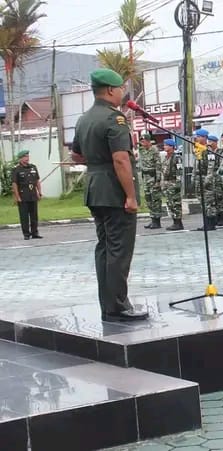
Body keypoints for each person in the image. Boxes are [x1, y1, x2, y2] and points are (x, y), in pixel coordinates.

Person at [71, 68, 148, 321]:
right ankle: (118, 306)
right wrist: (131, 196)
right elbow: (120, 160)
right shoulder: (114, 120)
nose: (123, 93)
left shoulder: (84, 119)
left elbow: (76, 154)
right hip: (114, 192)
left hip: (94, 188)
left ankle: (108, 304)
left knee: (104, 247)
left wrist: (96, 159)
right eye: (121, 89)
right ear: (111, 90)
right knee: (119, 249)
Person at [12, 150, 42, 240]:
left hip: (32, 195)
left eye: (28, 156)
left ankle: (35, 233)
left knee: (34, 215)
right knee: (24, 216)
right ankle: (26, 234)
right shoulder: (16, 170)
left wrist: (39, 192)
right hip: (23, 196)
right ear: (20, 159)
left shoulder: (33, 167)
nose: (27, 158)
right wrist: (17, 197)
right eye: (25, 157)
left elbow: (37, 181)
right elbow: (14, 184)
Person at [139, 132, 162, 229]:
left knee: (155, 199)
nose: (142, 143)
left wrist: (158, 180)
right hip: (146, 178)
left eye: (144, 141)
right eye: (141, 142)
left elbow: (158, 166)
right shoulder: (142, 150)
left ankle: (157, 221)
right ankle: (152, 218)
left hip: (153, 178)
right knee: (148, 199)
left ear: (148, 141)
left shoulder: (154, 151)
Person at [161, 136, 184, 231]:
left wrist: (177, 184)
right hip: (167, 183)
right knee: (170, 203)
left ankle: (178, 223)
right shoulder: (167, 157)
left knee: (176, 203)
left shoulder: (176, 157)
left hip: (173, 182)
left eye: (166, 145)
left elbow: (179, 171)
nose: (164, 147)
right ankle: (174, 221)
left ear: (172, 146)